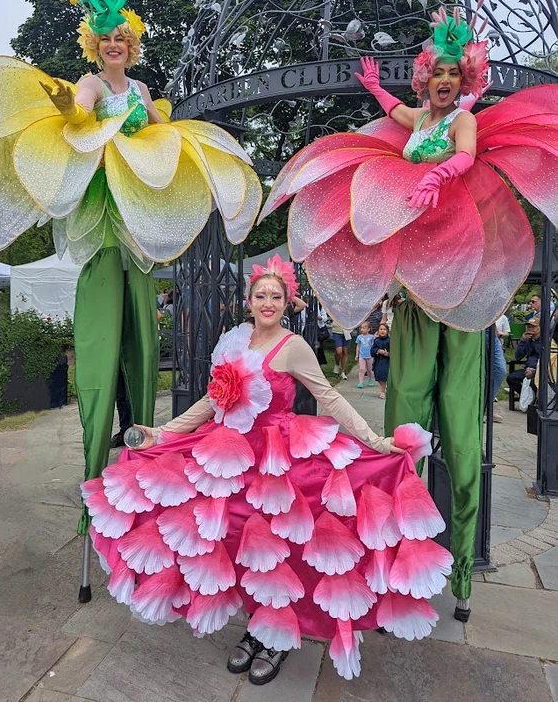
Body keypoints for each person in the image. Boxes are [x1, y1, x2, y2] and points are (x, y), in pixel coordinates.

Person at [258, 3, 558, 622]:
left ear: (467, 78)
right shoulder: (418, 117)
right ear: (425, 76)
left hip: (467, 294)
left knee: (462, 431)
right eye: (437, 71)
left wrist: (438, 174)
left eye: (455, 71)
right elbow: (397, 114)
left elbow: (469, 157)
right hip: (418, 297)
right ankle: (398, 566)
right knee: (404, 432)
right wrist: (372, 85)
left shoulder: (464, 122)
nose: (445, 80)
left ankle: (464, 576)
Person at [0, 0, 260, 534]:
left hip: (138, 233)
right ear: (95, 45)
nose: (113, 44)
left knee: (144, 353)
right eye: (105, 38)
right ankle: (95, 488)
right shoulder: (92, 84)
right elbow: (79, 112)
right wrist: (69, 106)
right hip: (102, 227)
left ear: (132, 42)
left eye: (121, 36)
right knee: (99, 360)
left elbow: (165, 134)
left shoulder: (141, 91)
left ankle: (141, 482)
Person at [83, 256, 452, 684]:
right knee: (238, 539)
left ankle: (277, 636)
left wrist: (373, 440)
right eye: (261, 295)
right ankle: (258, 624)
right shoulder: (234, 341)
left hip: (278, 461)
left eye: (276, 296)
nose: (268, 302)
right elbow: (210, 403)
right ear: (249, 300)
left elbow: (328, 397)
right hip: (229, 458)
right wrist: (162, 433)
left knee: (283, 547)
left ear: (287, 301)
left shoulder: (293, 346)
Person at [507, 317, 541, 401]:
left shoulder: (545, 340)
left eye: (533, 327)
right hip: (527, 369)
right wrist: (522, 341)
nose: (530, 329)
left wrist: (534, 371)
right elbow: (518, 357)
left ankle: (534, 400)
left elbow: (541, 354)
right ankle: (526, 397)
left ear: (539, 328)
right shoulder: (527, 340)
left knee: (535, 382)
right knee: (511, 378)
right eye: (528, 327)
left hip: (540, 370)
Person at [372, 323, 390, 399]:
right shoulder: (376, 340)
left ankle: (383, 391)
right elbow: (372, 351)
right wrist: (378, 351)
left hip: (387, 361)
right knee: (378, 375)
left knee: (384, 375)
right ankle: (384, 387)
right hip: (378, 361)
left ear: (387, 331)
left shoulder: (390, 340)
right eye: (381, 329)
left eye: (384, 329)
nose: (382, 331)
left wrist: (387, 354)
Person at [355, 322, 375, 388]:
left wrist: (374, 354)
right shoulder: (359, 337)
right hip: (362, 356)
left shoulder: (372, 337)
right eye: (361, 328)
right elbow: (358, 346)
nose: (362, 329)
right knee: (361, 368)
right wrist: (357, 355)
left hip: (369, 356)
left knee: (369, 369)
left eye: (364, 328)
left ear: (368, 329)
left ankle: (370, 379)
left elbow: (373, 346)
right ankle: (361, 382)